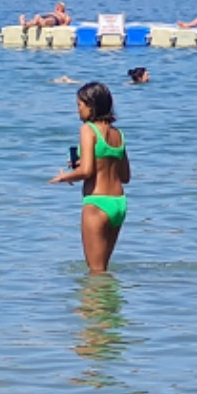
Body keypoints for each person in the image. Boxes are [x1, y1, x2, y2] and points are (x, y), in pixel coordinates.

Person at [49, 82, 130, 274]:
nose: (78, 111)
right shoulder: (118, 134)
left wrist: (64, 177)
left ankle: (91, 305)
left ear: (91, 106)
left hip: (97, 203)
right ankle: (110, 304)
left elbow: (86, 171)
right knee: (103, 270)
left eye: (79, 105)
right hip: (118, 204)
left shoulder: (88, 129)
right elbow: (125, 176)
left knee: (95, 273)